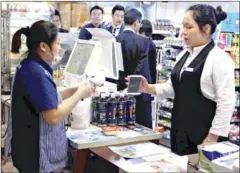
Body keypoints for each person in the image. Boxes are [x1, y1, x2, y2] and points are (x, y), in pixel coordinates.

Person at [127, 5, 235, 155]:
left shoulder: (219, 59)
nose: (183, 32)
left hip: (204, 136)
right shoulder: (183, 55)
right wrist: (148, 88)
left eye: (188, 27)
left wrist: (211, 138)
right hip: (180, 131)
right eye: (183, 26)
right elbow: (174, 87)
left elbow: (226, 103)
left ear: (207, 28)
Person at [10, 20, 95, 173]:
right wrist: (79, 95)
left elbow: (46, 97)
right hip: (35, 154)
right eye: (57, 43)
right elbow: (53, 116)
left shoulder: (31, 66)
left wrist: (75, 89)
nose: (60, 48)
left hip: (26, 148)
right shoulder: (36, 73)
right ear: (43, 46)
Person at [116, 8, 153, 128]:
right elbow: (141, 69)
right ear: (136, 23)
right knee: (143, 130)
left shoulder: (115, 39)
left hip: (119, 93)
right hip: (140, 94)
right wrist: (131, 87)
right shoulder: (144, 42)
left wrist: (123, 88)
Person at [139, 19, 157, 84]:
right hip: (149, 80)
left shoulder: (143, 44)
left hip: (143, 80)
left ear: (142, 32)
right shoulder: (152, 44)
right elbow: (153, 67)